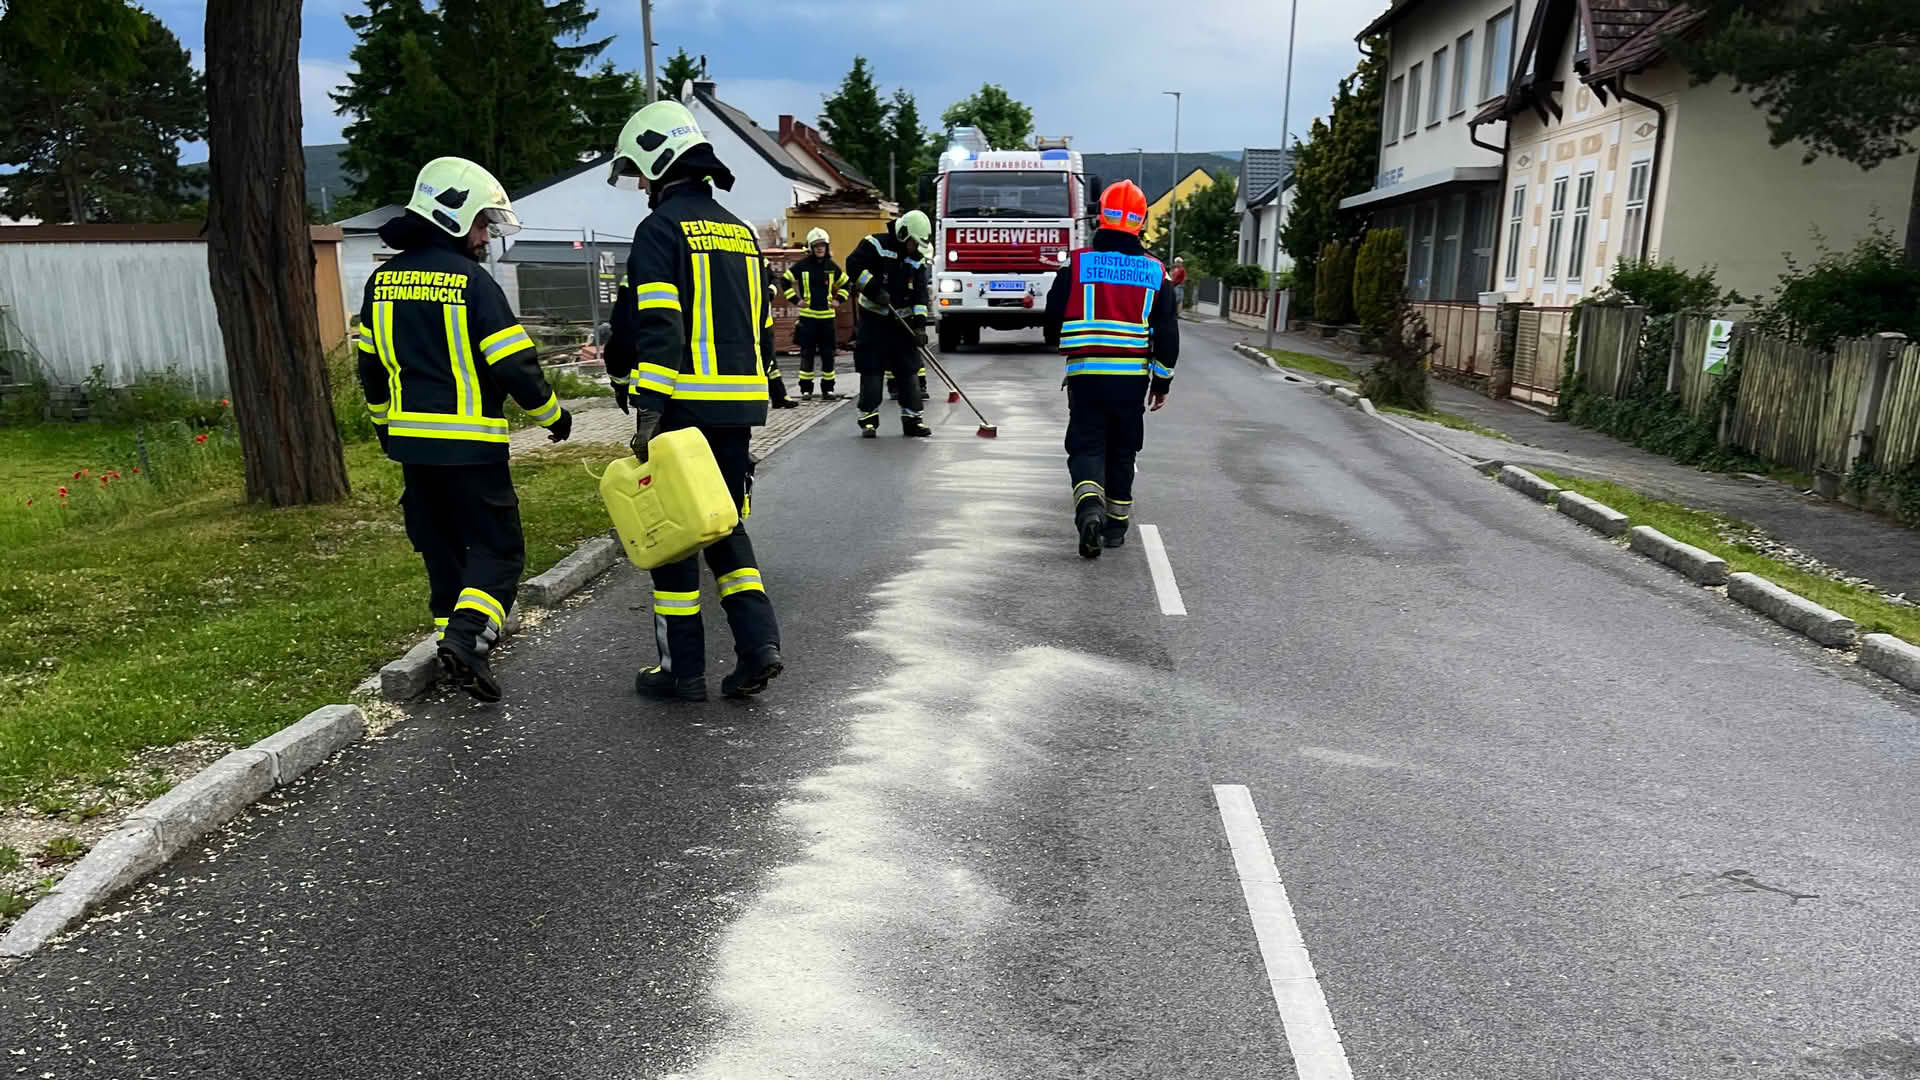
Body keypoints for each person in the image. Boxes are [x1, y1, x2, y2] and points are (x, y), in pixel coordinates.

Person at [355, 156, 573, 702]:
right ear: (452, 216)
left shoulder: (381, 282)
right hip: (472, 447)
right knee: (499, 551)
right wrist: (554, 416)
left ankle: (448, 644)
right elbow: (514, 364)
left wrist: (384, 429)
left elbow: (371, 368)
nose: (484, 237)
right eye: (480, 223)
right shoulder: (472, 283)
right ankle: (467, 638)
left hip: (413, 447)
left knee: (443, 549)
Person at [603, 99, 784, 702]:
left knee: (675, 537)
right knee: (725, 524)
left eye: (640, 174)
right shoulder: (739, 230)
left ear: (659, 164)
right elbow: (761, 326)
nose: (640, 187)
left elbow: (660, 324)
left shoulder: (659, 230)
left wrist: (649, 409)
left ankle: (682, 672)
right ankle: (759, 645)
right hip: (739, 407)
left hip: (683, 408)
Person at [1043, 179, 1179, 559]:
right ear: (1141, 222)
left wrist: (1064, 342)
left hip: (1086, 377)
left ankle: (1090, 510)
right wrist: (1162, 383)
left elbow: (1051, 321)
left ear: (1101, 216)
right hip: (1131, 382)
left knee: (1086, 445)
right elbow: (1167, 335)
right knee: (1123, 449)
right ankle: (1116, 528)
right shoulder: (1156, 272)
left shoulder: (1077, 263)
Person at [845, 210, 934, 438]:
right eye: (913, 243)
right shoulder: (875, 245)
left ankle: (913, 420)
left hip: (903, 324)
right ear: (904, 234)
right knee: (872, 372)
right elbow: (853, 266)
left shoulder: (916, 259)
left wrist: (920, 326)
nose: (915, 248)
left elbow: (920, 295)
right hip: (874, 321)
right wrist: (874, 290)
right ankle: (868, 421)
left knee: (909, 373)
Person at [782, 228, 848, 400]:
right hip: (808, 319)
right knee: (807, 354)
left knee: (828, 355)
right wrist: (796, 301)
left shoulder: (831, 267)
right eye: (816, 245)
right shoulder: (802, 266)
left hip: (827, 320)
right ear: (811, 248)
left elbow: (846, 284)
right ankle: (806, 390)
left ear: (827, 247)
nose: (820, 248)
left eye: (822, 245)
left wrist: (838, 300)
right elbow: (784, 280)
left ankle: (828, 389)